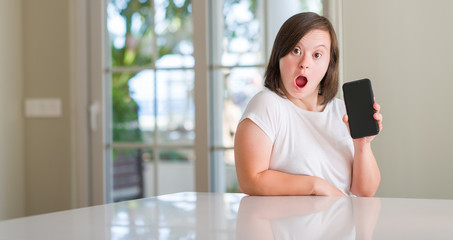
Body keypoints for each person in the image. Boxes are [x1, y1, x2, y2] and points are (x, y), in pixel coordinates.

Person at [234, 12, 383, 197]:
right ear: (279, 55)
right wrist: (316, 185)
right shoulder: (267, 105)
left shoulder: (342, 111)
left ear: (329, 63)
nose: (304, 63)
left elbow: (365, 191)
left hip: (343, 225)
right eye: (296, 51)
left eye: (317, 54)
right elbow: (250, 180)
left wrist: (362, 145)